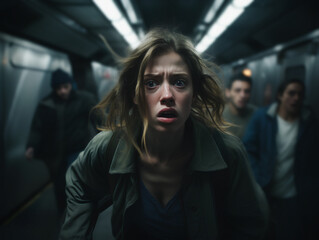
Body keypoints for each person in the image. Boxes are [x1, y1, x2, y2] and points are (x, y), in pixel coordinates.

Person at [60, 29, 268, 240]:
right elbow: (79, 183)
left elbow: (251, 226)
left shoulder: (227, 154)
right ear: (135, 94)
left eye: (179, 82)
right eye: (151, 83)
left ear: (194, 93)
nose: (167, 95)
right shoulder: (108, 147)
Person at [243, 78, 319, 240]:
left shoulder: (308, 122)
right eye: (291, 93)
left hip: (294, 193)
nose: (296, 98)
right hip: (265, 188)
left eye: (300, 94)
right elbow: (248, 150)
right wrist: (257, 178)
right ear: (280, 95)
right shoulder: (263, 117)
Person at [25, 69, 96, 213]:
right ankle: (64, 214)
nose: (62, 91)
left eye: (65, 87)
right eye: (58, 88)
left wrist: (107, 137)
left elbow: (98, 119)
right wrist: (32, 145)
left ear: (71, 85)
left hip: (77, 150)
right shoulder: (46, 104)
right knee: (60, 187)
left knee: (77, 183)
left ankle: (81, 213)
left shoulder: (84, 99)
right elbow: (37, 128)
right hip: (55, 155)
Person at [223, 73, 256, 138]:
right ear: (228, 92)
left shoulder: (256, 114)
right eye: (237, 90)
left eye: (246, 91)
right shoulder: (218, 116)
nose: (242, 95)